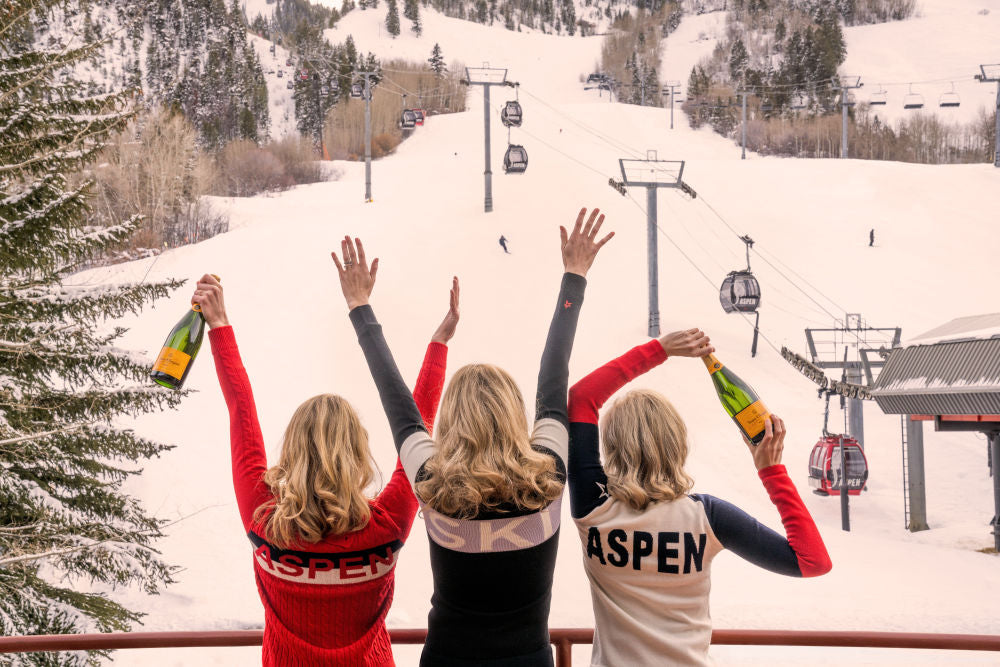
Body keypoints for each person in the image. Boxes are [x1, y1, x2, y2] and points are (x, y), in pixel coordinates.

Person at [333, 207, 614, 667]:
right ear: (512, 412)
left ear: (451, 420)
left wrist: (360, 306)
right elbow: (553, 378)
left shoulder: (433, 483)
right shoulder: (547, 476)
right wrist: (574, 277)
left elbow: (398, 405)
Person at [194, 273, 459, 666]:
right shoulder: (386, 527)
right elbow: (416, 430)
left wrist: (219, 325)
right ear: (356, 453)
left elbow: (241, 413)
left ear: (293, 450)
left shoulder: (265, 521)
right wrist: (439, 344)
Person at [567, 329, 833, 666]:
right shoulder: (707, 517)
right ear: (678, 443)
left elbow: (581, 398)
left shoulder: (594, 507)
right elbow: (812, 562)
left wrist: (660, 349)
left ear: (613, 448)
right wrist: (772, 472)